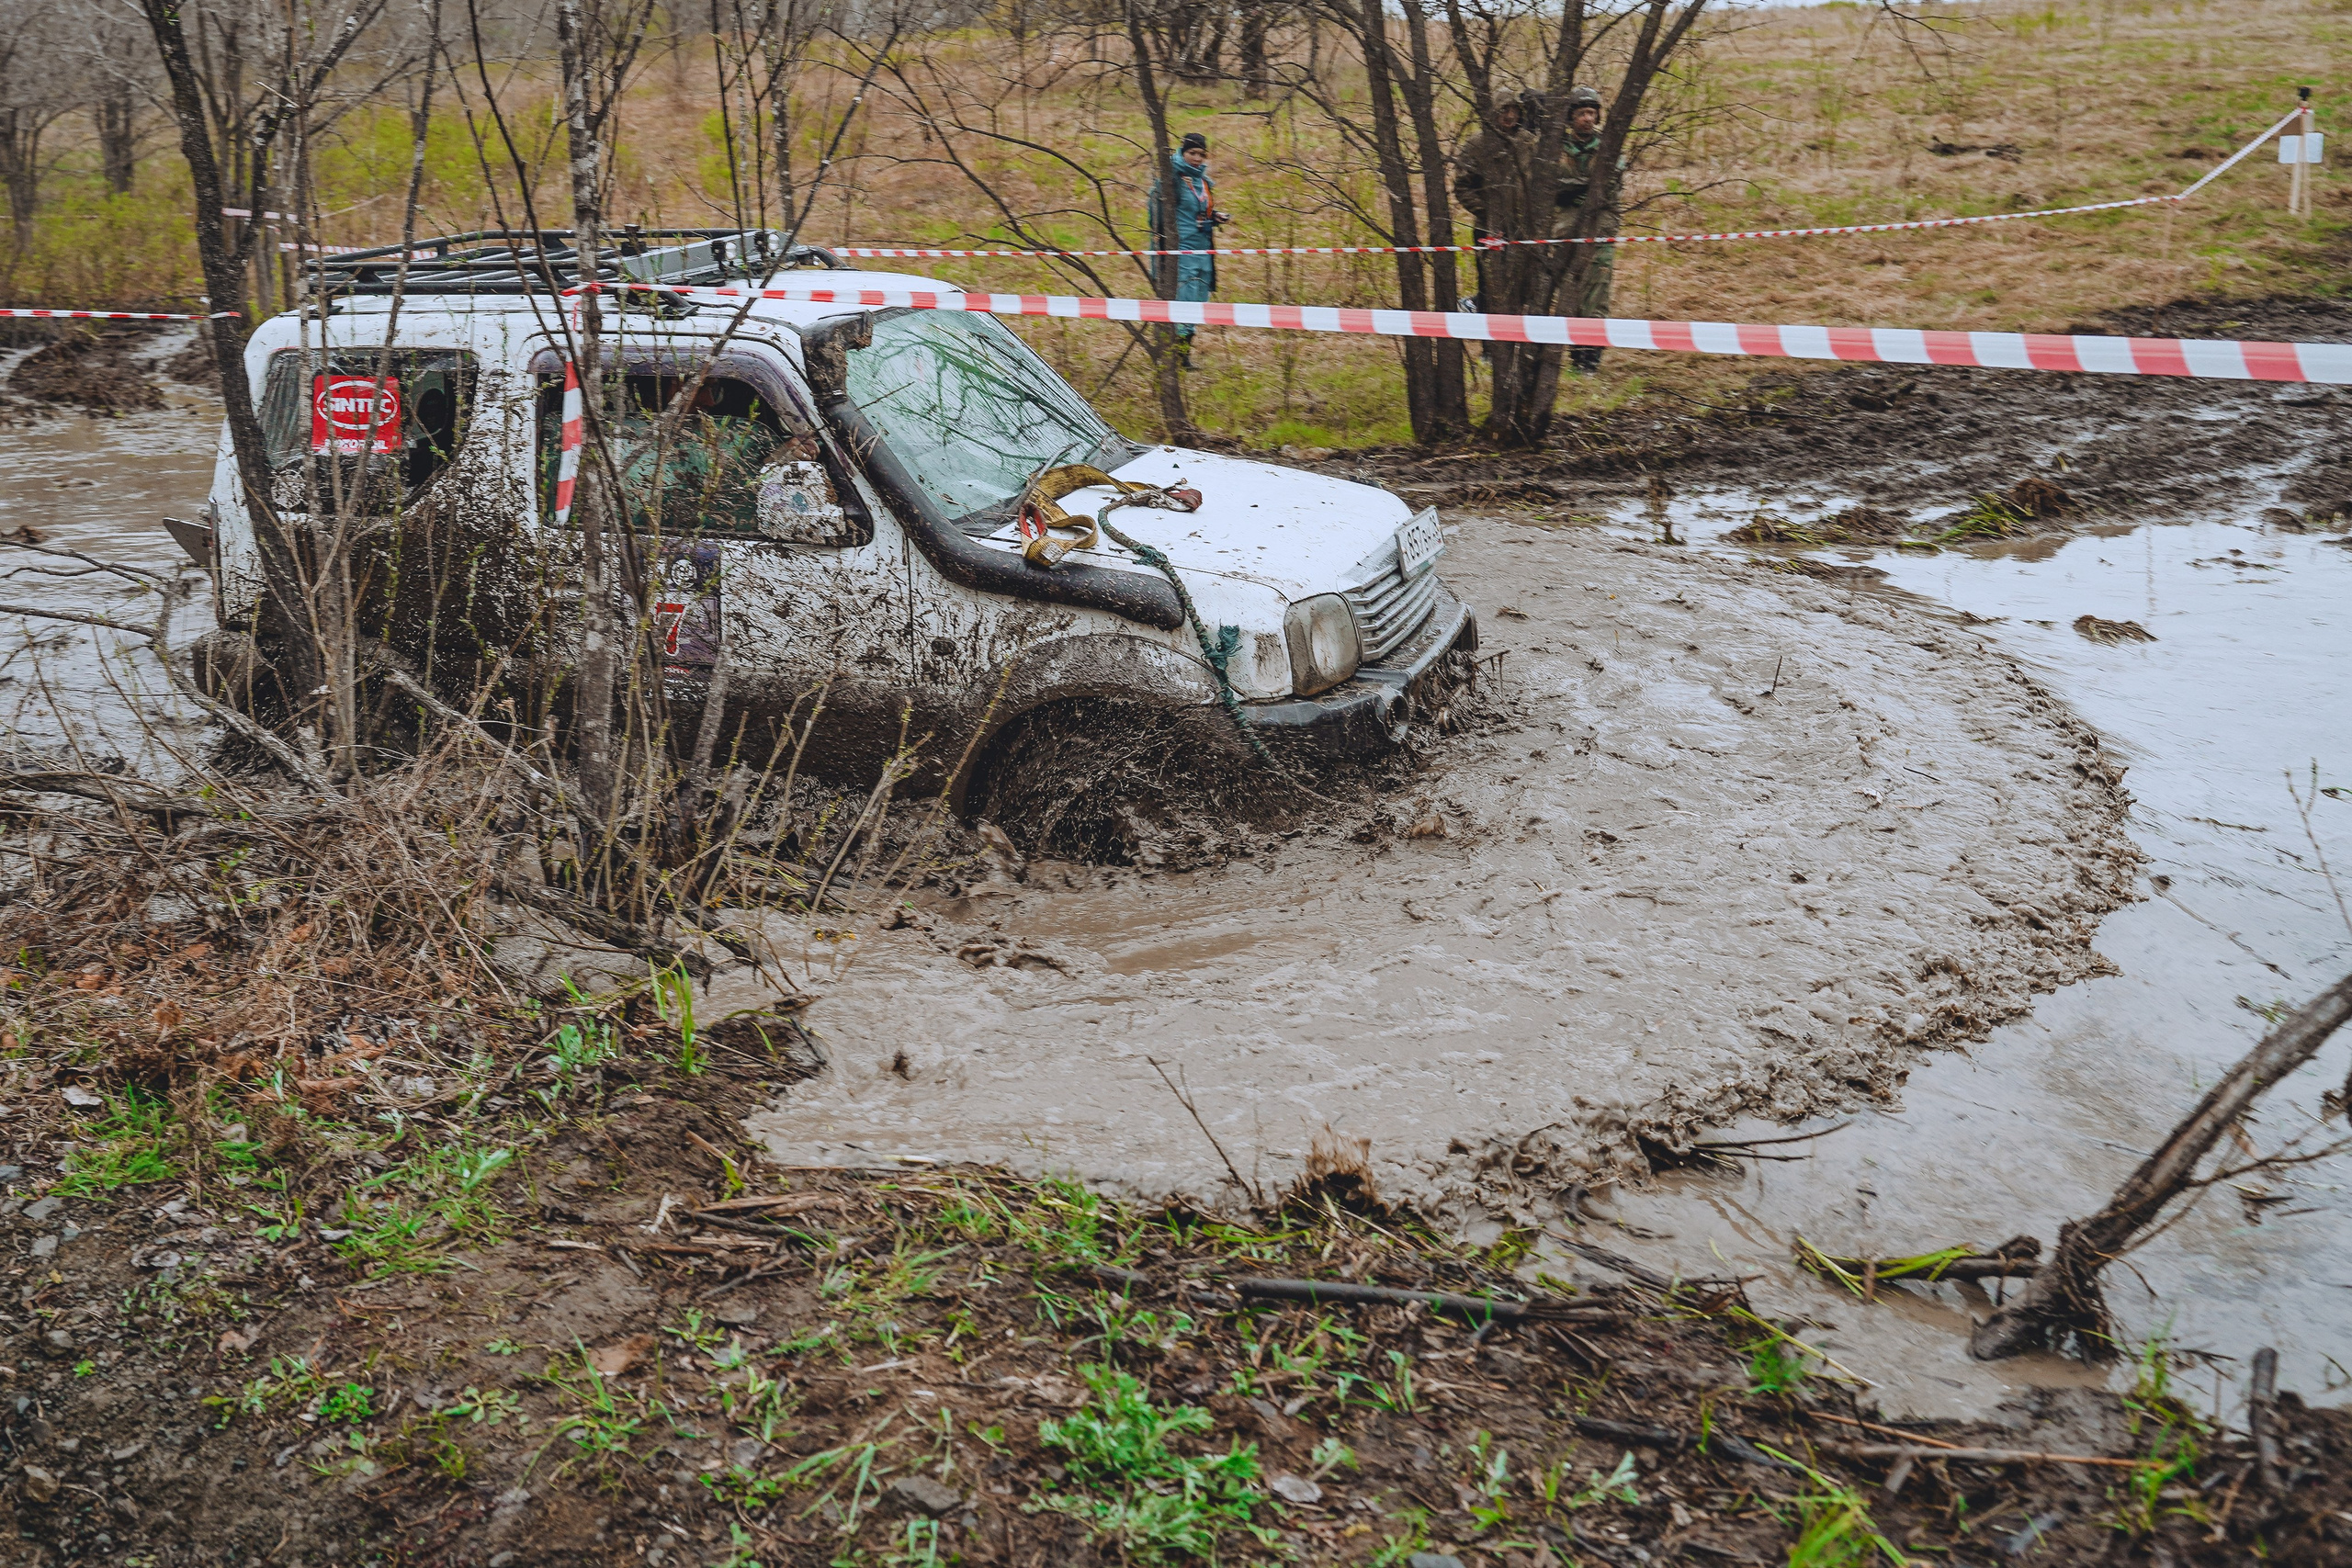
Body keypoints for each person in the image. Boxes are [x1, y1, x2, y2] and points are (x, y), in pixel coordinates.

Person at [1555, 84, 1624, 375]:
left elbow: (1608, 187)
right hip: (1562, 231)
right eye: (1581, 113)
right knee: (1568, 294)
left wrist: (1577, 190)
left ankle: (1590, 360)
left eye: (1592, 113)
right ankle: (1574, 355)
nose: (1587, 118)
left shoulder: (1608, 147)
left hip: (1600, 231)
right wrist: (1584, 187)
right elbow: (1552, 185)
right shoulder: (1554, 147)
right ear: (1571, 116)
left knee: (1596, 295)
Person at [1148, 131, 1227, 368]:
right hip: (1182, 251)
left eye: (1201, 154)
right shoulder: (1171, 178)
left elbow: (1198, 211)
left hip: (1204, 250)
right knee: (1184, 299)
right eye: (1192, 153)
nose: (1197, 158)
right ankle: (1176, 356)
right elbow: (1157, 214)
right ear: (1182, 153)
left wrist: (1215, 216)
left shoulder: (1203, 181)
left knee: (1199, 301)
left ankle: (1184, 352)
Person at [1451, 97, 1538, 310]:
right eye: (1503, 110)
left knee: (1524, 282)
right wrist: (1486, 212)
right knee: (1490, 282)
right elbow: (1462, 186)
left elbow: (1542, 183)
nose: (1509, 116)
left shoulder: (1529, 143)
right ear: (1493, 113)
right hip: (1488, 228)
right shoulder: (1477, 144)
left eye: (1514, 111)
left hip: (1523, 228)